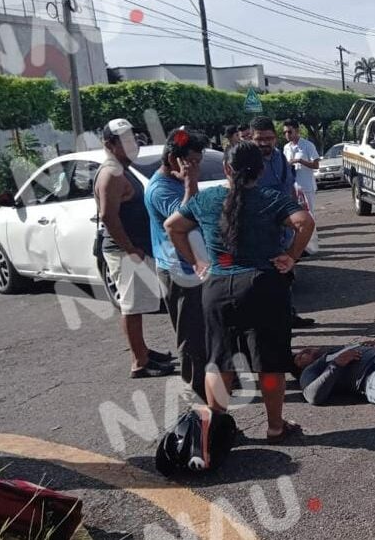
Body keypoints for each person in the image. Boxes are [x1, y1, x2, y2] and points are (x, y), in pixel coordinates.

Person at [165, 142, 315, 443]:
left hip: (218, 287)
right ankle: (275, 427)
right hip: (262, 285)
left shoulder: (206, 199)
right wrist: (291, 255)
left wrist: (197, 262)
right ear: (260, 171)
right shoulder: (270, 198)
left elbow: (173, 226)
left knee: (219, 360)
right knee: (269, 360)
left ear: (226, 169)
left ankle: (216, 429)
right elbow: (304, 221)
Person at [94, 118, 174, 378]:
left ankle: (144, 352)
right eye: (125, 140)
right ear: (109, 144)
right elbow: (108, 215)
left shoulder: (122, 168)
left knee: (138, 306)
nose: (133, 144)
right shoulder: (112, 173)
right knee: (132, 307)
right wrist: (129, 248)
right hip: (124, 251)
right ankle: (139, 361)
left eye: (133, 138)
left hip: (134, 248)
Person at [145, 127, 211, 400]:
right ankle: (197, 392)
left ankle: (210, 383)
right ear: (174, 158)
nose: (197, 167)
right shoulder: (161, 189)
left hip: (193, 268)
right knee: (192, 336)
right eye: (192, 161)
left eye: (198, 161)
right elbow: (187, 217)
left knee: (205, 332)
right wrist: (190, 183)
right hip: (180, 273)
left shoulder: (173, 181)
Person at [249, 116, 314, 328]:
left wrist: (295, 223)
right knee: (263, 281)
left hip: (283, 229)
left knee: (286, 276)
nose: (265, 143)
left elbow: (290, 190)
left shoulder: (280, 158)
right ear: (252, 137)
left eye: (269, 138)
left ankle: (289, 315)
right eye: (260, 139)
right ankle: (270, 322)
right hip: (262, 230)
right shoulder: (247, 161)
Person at [282, 119, 320, 214]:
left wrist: (300, 161)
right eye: (285, 132)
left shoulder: (308, 145)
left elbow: (316, 165)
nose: (287, 134)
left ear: (297, 131)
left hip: (306, 187)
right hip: (292, 187)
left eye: (290, 131)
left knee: (309, 214)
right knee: (295, 214)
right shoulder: (286, 147)